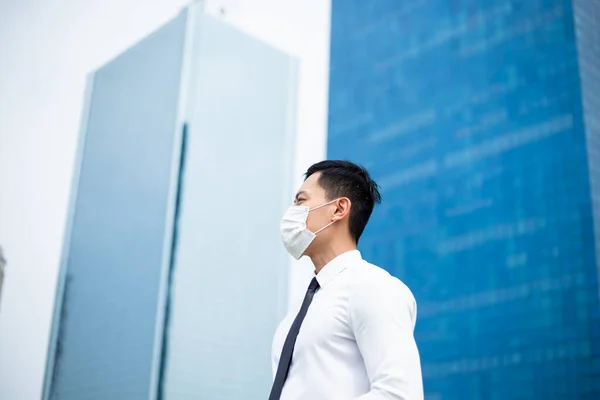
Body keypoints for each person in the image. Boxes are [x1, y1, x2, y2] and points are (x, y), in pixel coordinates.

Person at [270, 160, 423, 400]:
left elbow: (399, 395)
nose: (292, 212)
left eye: (301, 201)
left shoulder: (373, 288)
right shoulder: (300, 307)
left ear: (339, 208)